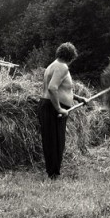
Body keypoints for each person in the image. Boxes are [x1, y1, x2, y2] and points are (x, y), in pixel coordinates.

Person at [38, 42, 88, 179]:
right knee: (55, 141)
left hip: (47, 105)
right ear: (71, 56)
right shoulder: (62, 67)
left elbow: (61, 88)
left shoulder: (52, 65)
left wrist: (77, 98)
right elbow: (52, 88)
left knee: (51, 140)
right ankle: (53, 174)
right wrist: (59, 108)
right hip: (53, 108)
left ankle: (52, 172)